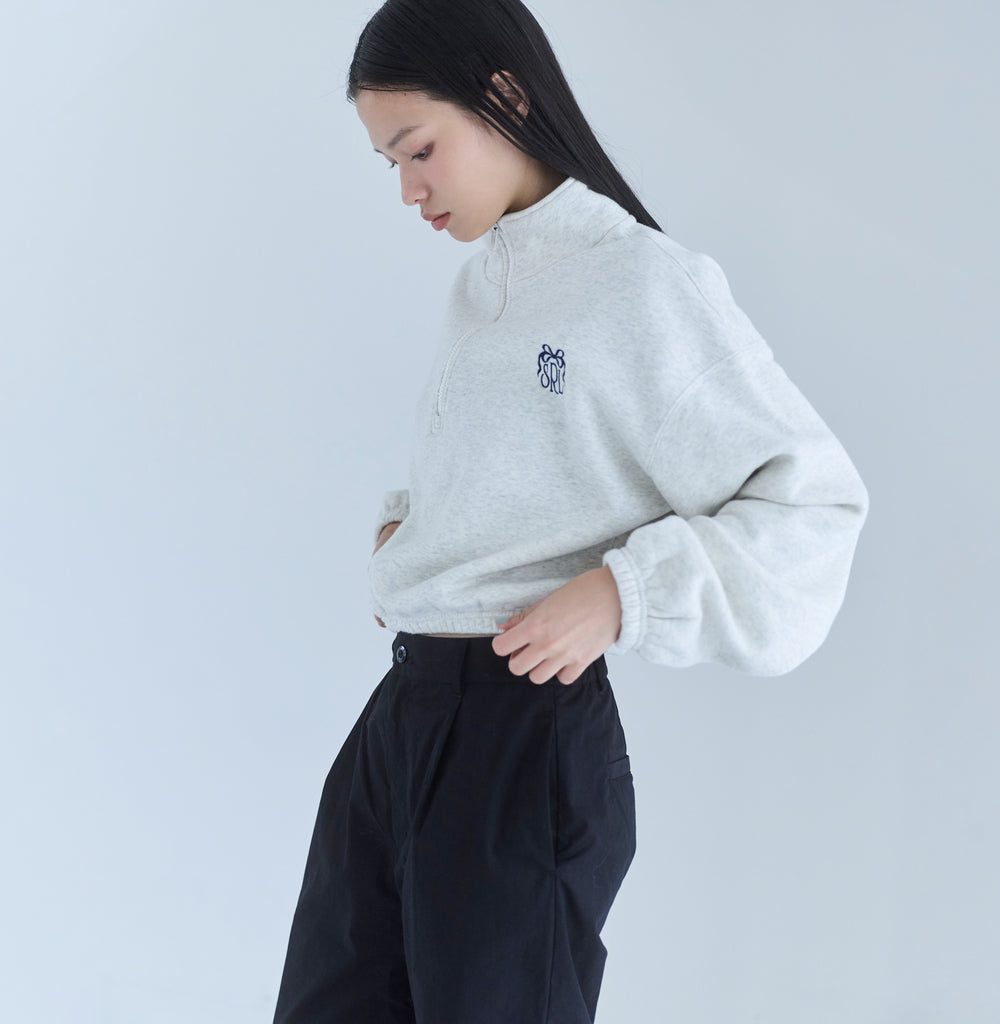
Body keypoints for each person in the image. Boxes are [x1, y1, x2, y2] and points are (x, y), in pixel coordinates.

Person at [272, 0, 870, 1021]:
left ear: (504, 96)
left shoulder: (641, 283)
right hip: (404, 719)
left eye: (420, 150)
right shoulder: (485, 287)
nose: (408, 189)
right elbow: (531, 475)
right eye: (390, 163)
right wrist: (413, 535)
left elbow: (812, 504)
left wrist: (623, 593)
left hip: (520, 735)